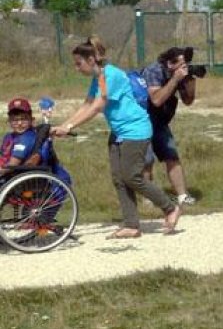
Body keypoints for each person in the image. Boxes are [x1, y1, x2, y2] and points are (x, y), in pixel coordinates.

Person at [50, 36, 181, 239]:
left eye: (79, 63)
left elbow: (98, 106)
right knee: (119, 179)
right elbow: (87, 104)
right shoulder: (98, 79)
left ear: (91, 60)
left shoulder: (112, 75)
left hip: (135, 131)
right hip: (119, 132)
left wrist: (69, 126)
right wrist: (63, 124)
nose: (77, 68)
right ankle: (131, 225)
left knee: (132, 176)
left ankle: (170, 207)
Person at [141, 47, 198, 206]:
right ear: (169, 63)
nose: (184, 68)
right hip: (141, 118)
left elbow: (188, 101)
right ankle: (148, 197)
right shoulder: (153, 71)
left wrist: (189, 80)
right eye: (181, 64)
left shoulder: (179, 75)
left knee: (171, 154)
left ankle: (182, 196)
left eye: (186, 64)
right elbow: (156, 100)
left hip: (159, 120)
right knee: (147, 159)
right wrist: (174, 80)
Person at [1, 97, 71, 186]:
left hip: (12, 173)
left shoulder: (26, 138)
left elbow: (13, 163)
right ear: (9, 121)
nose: (19, 123)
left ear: (32, 120)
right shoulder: (9, 137)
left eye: (24, 119)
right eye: (15, 120)